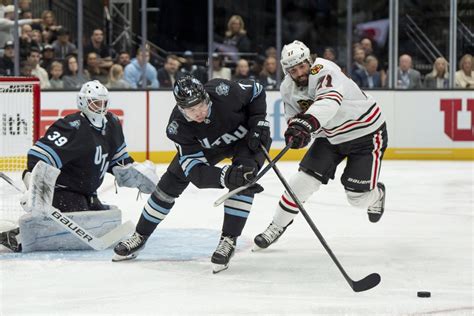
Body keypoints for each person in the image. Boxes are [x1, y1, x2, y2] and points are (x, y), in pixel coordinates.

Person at [113, 75, 271, 273]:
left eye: (201, 106)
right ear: (181, 108)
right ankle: (140, 235)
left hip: (247, 138)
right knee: (171, 182)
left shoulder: (224, 90)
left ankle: (229, 239)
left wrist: (258, 121)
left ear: (207, 98)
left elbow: (256, 89)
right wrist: (225, 176)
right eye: (190, 110)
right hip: (211, 147)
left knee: (243, 177)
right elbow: (195, 173)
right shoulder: (178, 127)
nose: (198, 113)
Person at [253, 40, 387, 250]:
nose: (299, 73)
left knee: (357, 198)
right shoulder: (287, 88)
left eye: (302, 66)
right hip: (331, 137)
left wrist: (307, 124)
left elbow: (329, 102)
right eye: (293, 70)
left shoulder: (325, 69)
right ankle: (276, 226)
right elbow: (294, 118)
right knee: (300, 183)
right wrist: (297, 135)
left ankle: (377, 194)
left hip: (366, 133)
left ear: (309, 61)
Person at [0, 80, 158, 253]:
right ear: (83, 102)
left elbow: (118, 161)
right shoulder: (71, 127)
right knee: (80, 214)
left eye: (104, 103)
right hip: (61, 191)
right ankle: (15, 237)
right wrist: (34, 188)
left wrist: (133, 173)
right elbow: (38, 157)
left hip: (87, 193)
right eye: (96, 103)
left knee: (103, 217)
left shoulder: (112, 123)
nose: (101, 107)